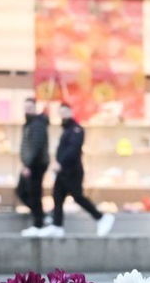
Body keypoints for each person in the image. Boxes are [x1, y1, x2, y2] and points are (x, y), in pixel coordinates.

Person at [46, 103, 115, 238]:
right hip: (62, 172)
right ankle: (57, 225)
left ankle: (101, 217)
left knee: (77, 196)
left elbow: (73, 149)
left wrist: (61, 163)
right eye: (61, 112)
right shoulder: (66, 130)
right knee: (57, 197)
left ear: (71, 112)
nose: (63, 115)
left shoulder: (76, 130)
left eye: (65, 112)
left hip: (72, 171)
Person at [16, 97, 51, 237]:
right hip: (30, 164)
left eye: (30, 107)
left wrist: (28, 165)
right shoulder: (30, 123)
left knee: (33, 193)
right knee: (23, 191)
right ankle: (41, 216)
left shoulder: (37, 124)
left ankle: (39, 223)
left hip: (35, 165)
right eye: (26, 107)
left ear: (35, 108)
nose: (27, 110)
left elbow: (36, 146)